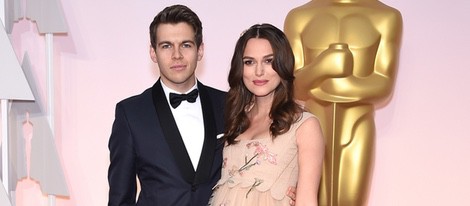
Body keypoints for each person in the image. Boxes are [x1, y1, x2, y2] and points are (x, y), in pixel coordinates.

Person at [108, 5, 297, 205]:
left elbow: (268, 150)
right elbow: (120, 198)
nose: (177, 55)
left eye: (186, 45)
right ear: (153, 53)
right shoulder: (131, 113)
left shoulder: (230, 105)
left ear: (200, 50)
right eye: (166, 46)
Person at [284, 0, 403, 205]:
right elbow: (292, 86)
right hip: (310, 126)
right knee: (309, 197)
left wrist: (336, 84)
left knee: (351, 199)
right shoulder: (299, 17)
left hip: (358, 124)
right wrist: (322, 67)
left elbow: (383, 85)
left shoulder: (387, 17)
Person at [209, 23, 324, 205]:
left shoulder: (304, 125)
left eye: (268, 61)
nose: (259, 71)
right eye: (249, 62)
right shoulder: (233, 118)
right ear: (240, 68)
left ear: (283, 64)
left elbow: (307, 199)